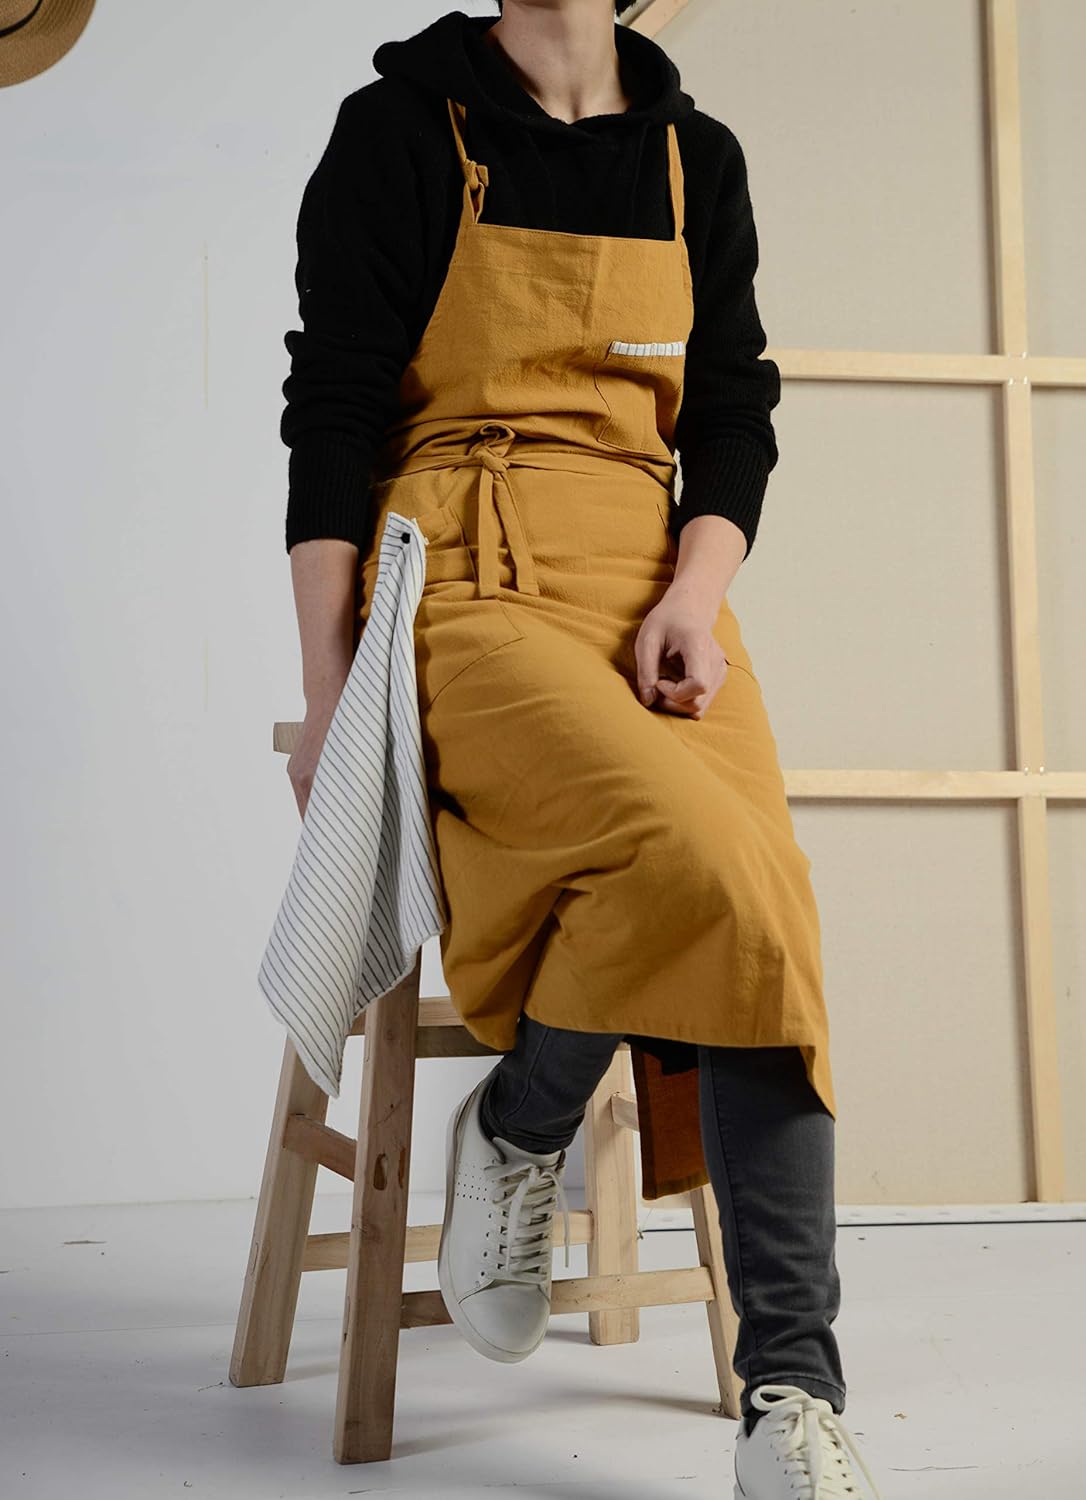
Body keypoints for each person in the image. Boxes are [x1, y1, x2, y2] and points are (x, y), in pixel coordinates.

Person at [280, 4, 882, 1496]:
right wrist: (331, 687)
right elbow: (333, 410)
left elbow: (731, 413)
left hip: (650, 582)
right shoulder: (398, 129)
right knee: (694, 853)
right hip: (465, 572)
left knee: (761, 905)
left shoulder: (694, 158)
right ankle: (526, 1120)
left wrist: (695, 597)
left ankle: (789, 1400)